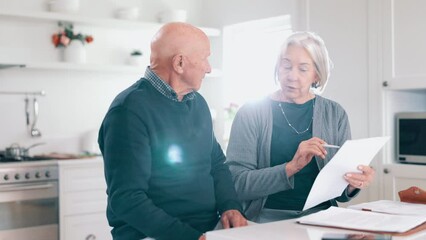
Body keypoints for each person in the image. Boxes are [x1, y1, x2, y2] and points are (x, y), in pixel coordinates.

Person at [98, 22, 247, 240]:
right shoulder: (128, 111)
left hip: (205, 229)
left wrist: (230, 207)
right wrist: (191, 237)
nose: (208, 68)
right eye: (205, 58)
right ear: (179, 63)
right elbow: (127, 199)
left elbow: (216, 164)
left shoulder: (199, 104)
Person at [225, 31, 375, 223]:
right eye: (286, 65)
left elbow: (340, 194)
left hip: (323, 217)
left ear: (317, 75)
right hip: (266, 218)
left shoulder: (334, 113)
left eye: (303, 69)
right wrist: (291, 167)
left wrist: (355, 182)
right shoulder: (252, 112)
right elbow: (237, 183)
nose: (291, 76)